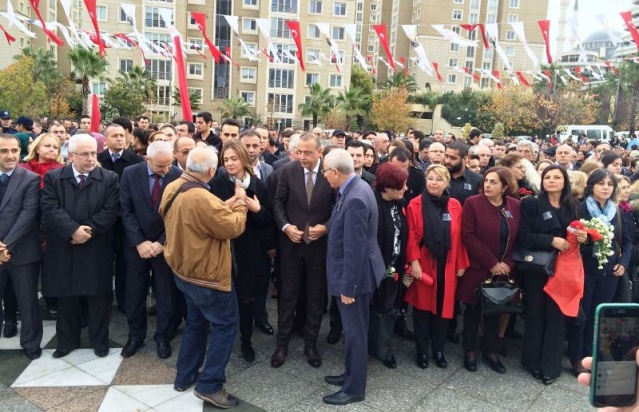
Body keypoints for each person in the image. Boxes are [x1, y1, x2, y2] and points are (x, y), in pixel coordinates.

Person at [160, 146, 248, 409]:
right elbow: (233, 227)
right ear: (211, 171)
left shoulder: (175, 185)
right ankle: (209, 385)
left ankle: (184, 376)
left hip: (183, 271)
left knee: (196, 324)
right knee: (225, 326)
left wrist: (223, 205)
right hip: (207, 276)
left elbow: (200, 218)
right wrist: (241, 200)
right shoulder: (201, 197)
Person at [41, 134, 120, 358]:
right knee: (67, 297)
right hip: (65, 246)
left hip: (96, 247)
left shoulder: (109, 178)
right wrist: (72, 231)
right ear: (71, 155)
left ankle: (99, 341)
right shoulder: (55, 177)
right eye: (84, 154)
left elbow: (111, 210)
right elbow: (49, 207)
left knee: (98, 297)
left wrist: (88, 231)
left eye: (94, 153)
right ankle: (66, 341)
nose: (90, 158)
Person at [322, 149, 385, 406]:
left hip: (355, 279)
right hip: (355, 275)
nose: (324, 176)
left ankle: (355, 388)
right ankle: (350, 373)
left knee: (356, 333)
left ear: (335, 172)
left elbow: (354, 249)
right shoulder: (355, 187)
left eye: (325, 171)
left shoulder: (356, 197)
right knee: (353, 331)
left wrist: (349, 287)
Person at [271, 133, 333, 369]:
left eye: (308, 152)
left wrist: (326, 227)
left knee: (315, 296)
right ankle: (282, 344)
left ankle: (311, 344)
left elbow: (337, 205)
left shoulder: (330, 173)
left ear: (320, 152)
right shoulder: (288, 171)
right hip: (292, 246)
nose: (303, 157)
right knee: (288, 295)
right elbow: (278, 202)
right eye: (299, 152)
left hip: (318, 247)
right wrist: (286, 227)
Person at [517, 165, 582, 385]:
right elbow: (523, 235)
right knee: (536, 314)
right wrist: (550, 240)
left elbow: (584, 233)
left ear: (565, 182)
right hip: (538, 267)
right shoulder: (531, 204)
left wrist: (585, 238)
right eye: (547, 177)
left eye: (557, 177)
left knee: (557, 317)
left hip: (564, 269)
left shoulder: (574, 206)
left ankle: (550, 367)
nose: (552, 181)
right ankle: (532, 361)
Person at [210, 141, 274, 362]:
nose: (229, 163)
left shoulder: (257, 184)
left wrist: (257, 210)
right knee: (223, 299)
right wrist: (229, 205)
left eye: (233, 158)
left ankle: (246, 340)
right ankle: (222, 338)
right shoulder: (217, 183)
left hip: (250, 252)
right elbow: (211, 216)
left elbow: (268, 220)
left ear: (244, 160)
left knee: (247, 298)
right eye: (226, 159)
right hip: (224, 249)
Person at [119, 141, 183, 359]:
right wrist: (140, 242)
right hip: (137, 246)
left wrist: (161, 242)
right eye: (160, 166)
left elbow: (178, 214)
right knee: (135, 292)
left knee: (166, 294)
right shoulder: (130, 173)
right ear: (147, 160)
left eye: (169, 165)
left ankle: (163, 336)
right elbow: (126, 210)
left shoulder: (177, 175)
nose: (166, 170)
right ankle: (135, 335)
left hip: (164, 245)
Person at [405, 165, 469, 369]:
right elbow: (412, 236)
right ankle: (422, 351)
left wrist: (461, 264)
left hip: (448, 265)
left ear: (446, 182)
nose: (433, 182)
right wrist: (413, 261)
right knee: (422, 311)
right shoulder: (415, 204)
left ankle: (438, 350)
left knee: (443, 311)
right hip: (424, 265)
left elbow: (459, 238)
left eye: (438, 179)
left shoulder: (456, 206)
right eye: (430, 178)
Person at [569, 169, 633, 374]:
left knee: (598, 316)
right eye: (601, 183)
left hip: (609, 272)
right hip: (585, 268)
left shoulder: (617, 211)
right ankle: (576, 358)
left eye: (609, 184)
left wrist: (623, 262)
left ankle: (590, 356)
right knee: (582, 315)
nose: (605, 187)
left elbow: (627, 241)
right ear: (592, 185)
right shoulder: (580, 208)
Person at [458, 167, 521, 374]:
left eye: (494, 182)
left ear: (504, 187)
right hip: (480, 268)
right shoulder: (473, 203)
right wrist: (492, 262)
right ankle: (469, 352)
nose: (487, 185)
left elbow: (519, 239)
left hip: (504, 271)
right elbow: (468, 236)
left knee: (495, 310)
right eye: (486, 181)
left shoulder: (516, 206)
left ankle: (490, 351)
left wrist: (508, 264)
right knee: (473, 310)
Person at [0, 133, 43, 360]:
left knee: (28, 302)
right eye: (4, 151)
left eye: (14, 151)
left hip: (22, 251)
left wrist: (5, 246)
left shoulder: (29, 179)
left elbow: (28, 215)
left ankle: (31, 342)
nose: (10, 156)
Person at [98, 124, 144, 313]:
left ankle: (125, 302)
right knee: (103, 263)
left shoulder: (135, 161)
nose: (120, 138)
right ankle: (103, 301)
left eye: (123, 135)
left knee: (126, 264)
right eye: (115, 135)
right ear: (106, 139)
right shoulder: (98, 159)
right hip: (104, 221)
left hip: (127, 221)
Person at [369, 163, 408, 369]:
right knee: (371, 308)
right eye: (401, 186)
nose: (406, 189)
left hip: (394, 267)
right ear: (387, 187)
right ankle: (368, 345)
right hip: (373, 269)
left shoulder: (399, 203)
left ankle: (384, 348)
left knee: (388, 308)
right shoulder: (372, 204)